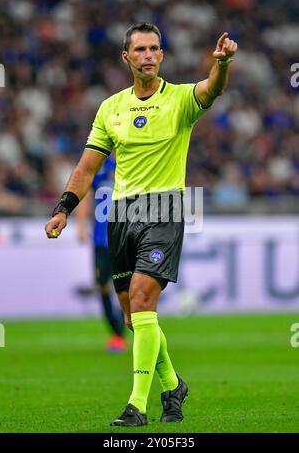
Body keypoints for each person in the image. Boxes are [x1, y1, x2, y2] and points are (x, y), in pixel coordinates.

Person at [45, 22, 237, 427]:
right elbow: (86, 167)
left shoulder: (181, 99)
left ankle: (136, 406)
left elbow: (212, 89)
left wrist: (222, 64)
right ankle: (173, 385)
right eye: (141, 50)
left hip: (164, 211)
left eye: (155, 49)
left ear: (162, 55)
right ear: (127, 57)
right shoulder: (110, 108)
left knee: (144, 299)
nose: (148, 55)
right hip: (121, 215)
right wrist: (63, 207)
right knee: (134, 317)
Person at [76, 156, 127, 352]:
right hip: (101, 238)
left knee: (125, 286)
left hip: (124, 235)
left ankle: (121, 332)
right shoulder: (100, 166)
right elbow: (86, 194)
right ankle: (116, 332)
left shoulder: (131, 161)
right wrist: (81, 225)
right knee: (102, 284)